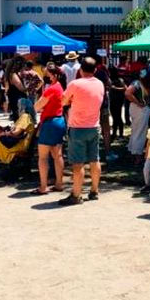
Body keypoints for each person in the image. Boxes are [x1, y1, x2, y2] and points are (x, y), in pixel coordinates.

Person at [59, 57, 105, 206]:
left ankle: (76, 194)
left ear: (80, 70)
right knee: (94, 159)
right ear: (95, 70)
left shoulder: (75, 84)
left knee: (78, 164)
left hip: (78, 127)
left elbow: (63, 101)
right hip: (94, 126)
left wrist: (72, 100)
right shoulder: (100, 84)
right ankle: (94, 191)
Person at [32, 63, 67, 195]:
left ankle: (43, 186)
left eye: (46, 74)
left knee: (43, 156)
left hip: (49, 122)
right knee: (57, 155)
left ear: (52, 75)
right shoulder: (60, 87)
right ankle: (59, 183)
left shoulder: (51, 89)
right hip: (59, 120)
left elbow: (38, 106)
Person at [126, 73, 150, 164]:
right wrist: (138, 103)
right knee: (140, 133)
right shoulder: (139, 84)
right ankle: (138, 157)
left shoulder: (137, 83)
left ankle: (132, 154)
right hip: (141, 109)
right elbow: (127, 93)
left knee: (135, 131)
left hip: (136, 108)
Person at [5, 56, 27, 121]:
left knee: (17, 117)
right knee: (19, 117)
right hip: (17, 98)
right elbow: (21, 88)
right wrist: (29, 87)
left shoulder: (10, 74)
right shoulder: (13, 75)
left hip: (14, 97)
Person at [109, 67, 127, 139]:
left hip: (118, 101)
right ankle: (114, 133)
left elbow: (125, 88)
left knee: (118, 117)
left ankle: (121, 134)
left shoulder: (119, 80)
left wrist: (114, 88)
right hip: (113, 100)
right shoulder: (111, 80)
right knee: (114, 117)